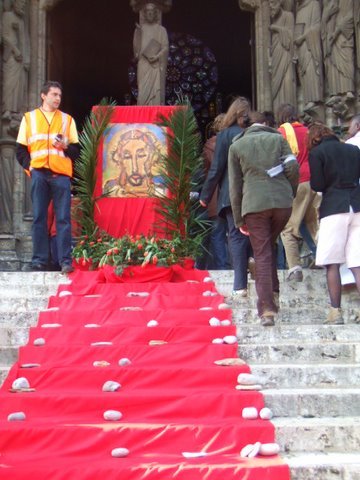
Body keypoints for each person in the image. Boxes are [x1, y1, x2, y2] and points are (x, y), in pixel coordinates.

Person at [229, 111, 299, 326]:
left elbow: (235, 187)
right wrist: (290, 191)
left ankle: (267, 309)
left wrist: (239, 219)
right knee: (269, 245)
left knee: (262, 253)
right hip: (282, 203)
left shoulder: (236, 146)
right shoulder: (278, 139)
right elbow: (292, 166)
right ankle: (274, 291)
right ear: (265, 124)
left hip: (254, 205)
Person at [16, 80, 80, 273]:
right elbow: (20, 150)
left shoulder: (67, 120)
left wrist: (66, 146)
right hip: (39, 174)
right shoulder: (29, 118)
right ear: (44, 96)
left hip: (61, 176)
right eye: (54, 94)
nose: (57, 98)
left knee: (63, 219)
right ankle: (39, 260)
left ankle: (65, 261)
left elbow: (77, 151)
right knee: (39, 218)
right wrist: (32, 169)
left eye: (59, 95)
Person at [308, 122, 360, 324]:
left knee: (332, 263)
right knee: (357, 263)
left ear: (314, 139)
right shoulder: (353, 149)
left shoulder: (318, 153)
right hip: (356, 205)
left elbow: (318, 184)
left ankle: (335, 312)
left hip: (333, 208)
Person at [200, 97, 252, 297]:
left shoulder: (225, 135)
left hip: (231, 194)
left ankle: (240, 285)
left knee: (236, 236)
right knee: (258, 234)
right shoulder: (251, 133)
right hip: (253, 192)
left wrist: (205, 195)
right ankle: (258, 269)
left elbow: (216, 168)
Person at [277, 103, 319, 281]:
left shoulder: (282, 133)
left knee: (288, 228)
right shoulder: (309, 132)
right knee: (314, 224)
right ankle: (329, 260)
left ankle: (294, 268)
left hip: (297, 182)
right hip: (315, 180)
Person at [202, 114, 229, 270]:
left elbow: (206, 173)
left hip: (215, 197)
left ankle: (222, 270)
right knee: (235, 236)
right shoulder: (236, 141)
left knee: (217, 235)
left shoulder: (209, 147)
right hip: (234, 196)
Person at [133, 2, 169, 106]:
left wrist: (157, 56)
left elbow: (165, 47)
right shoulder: (140, 29)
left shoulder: (161, 30)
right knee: (142, 91)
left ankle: (155, 113)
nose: (150, 14)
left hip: (155, 65)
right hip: (143, 63)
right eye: (147, 12)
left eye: (152, 12)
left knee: (155, 91)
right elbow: (136, 51)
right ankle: (142, 113)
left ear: (155, 14)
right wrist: (138, 34)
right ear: (144, 14)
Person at [1, 0, 30, 120]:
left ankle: (16, 112)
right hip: (11, 56)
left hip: (20, 59)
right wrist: (15, 50)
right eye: (21, 3)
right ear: (15, 3)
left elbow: (25, 40)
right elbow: (3, 36)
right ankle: (6, 110)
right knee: (8, 83)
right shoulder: (7, 16)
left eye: (24, 4)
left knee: (19, 84)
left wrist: (26, 58)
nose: (23, 6)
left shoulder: (22, 21)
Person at [294, 0, 323, 113]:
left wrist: (304, 37)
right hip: (301, 47)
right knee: (304, 72)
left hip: (310, 45)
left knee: (311, 69)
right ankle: (307, 99)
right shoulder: (299, 9)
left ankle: (315, 99)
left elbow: (317, 26)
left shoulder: (314, 4)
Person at [269, 0, 296, 112]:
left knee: (288, 79)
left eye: (273, 3)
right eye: (269, 4)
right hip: (276, 53)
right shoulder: (271, 19)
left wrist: (276, 28)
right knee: (276, 81)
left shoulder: (288, 16)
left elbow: (291, 36)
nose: (271, 6)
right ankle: (277, 113)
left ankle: (289, 111)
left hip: (286, 53)